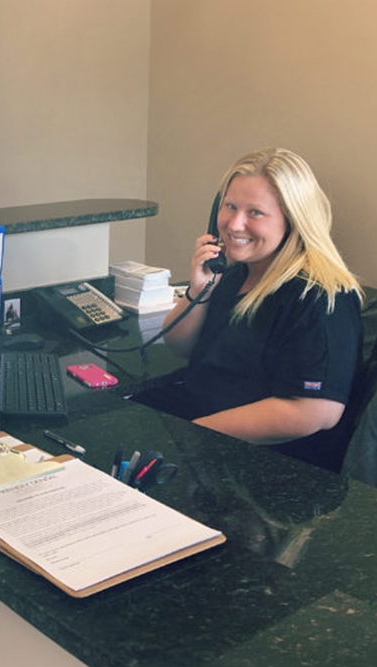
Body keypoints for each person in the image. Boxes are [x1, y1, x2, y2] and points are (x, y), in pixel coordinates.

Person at [136, 147, 363, 472]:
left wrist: (196, 434)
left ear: (293, 220)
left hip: (269, 465)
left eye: (255, 212)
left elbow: (315, 412)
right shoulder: (237, 273)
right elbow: (179, 345)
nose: (234, 224)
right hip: (209, 431)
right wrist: (199, 290)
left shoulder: (321, 296)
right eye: (230, 206)